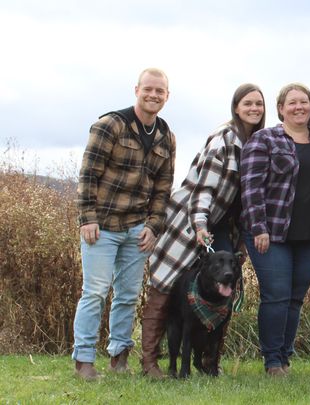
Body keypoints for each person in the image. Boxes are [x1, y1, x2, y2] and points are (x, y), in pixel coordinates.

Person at [139, 83, 266, 378]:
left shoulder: (255, 142)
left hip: (223, 225)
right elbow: (203, 187)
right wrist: (199, 224)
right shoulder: (224, 139)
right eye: (247, 103)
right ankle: (150, 361)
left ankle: (209, 359)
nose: (254, 109)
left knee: (225, 288)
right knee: (166, 285)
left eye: (259, 104)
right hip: (190, 219)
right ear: (236, 107)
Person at [73, 68, 175, 380]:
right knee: (95, 292)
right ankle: (84, 361)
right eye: (148, 89)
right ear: (137, 90)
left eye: (160, 91)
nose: (153, 95)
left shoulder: (166, 136)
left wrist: (154, 226)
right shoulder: (110, 125)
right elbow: (88, 173)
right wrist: (87, 218)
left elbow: (163, 189)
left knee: (128, 296)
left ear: (167, 96)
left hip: (137, 229)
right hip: (102, 226)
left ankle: (119, 358)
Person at [240, 83, 310, 376]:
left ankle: (285, 357)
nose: (299, 107)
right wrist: (258, 227)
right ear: (281, 109)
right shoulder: (264, 140)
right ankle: (272, 361)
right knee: (276, 295)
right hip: (272, 232)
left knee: (294, 298)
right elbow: (251, 187)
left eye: (304, 102)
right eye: (292, 102)